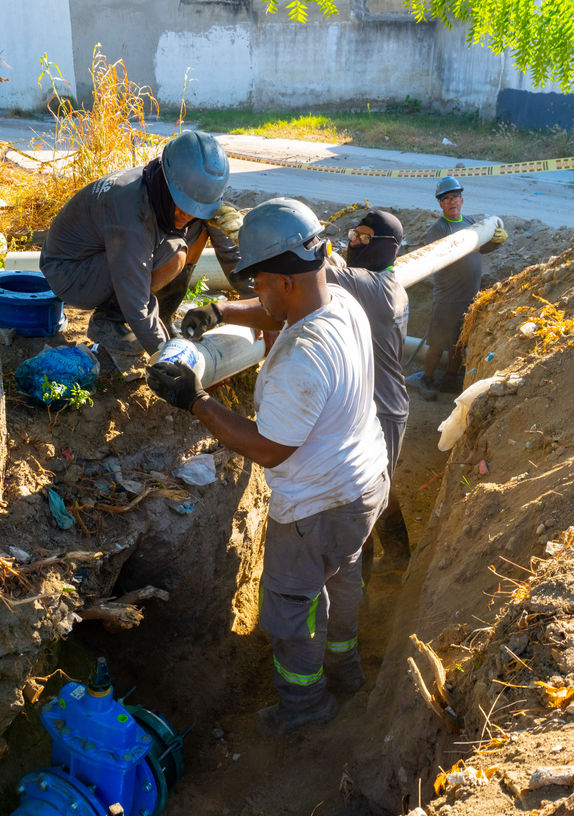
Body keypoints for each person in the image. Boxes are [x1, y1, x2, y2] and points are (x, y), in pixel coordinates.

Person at [151, 198, 388, 734]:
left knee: (291, 605)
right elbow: (275, 310)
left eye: (256, 282)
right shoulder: (338, 301)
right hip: (366, 482)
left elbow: (267, 449)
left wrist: (195, 401)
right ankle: (346, 669)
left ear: (284, 281)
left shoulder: (300, 360)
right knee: (344, 577)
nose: (252, 290)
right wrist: (221, 313)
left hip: (317, 505)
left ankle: (306, 708)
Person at [41, 130, 237, 356]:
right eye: (183, 204)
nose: (187, 214)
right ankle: (109, 319)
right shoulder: (131, 212)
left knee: (201, 229)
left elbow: (232, 254)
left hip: (107, 255)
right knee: (175, 255)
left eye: (196, 207)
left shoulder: (176, 189)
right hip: (72, 272)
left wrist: (257, 305)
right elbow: (137, 301)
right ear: (169, 180)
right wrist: (166, 355)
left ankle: (163, 316)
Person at [325, 210, 412, 568]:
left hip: (383, 410)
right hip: (380, 404)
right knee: (379, 487)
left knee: (368, 497)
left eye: (363, 238)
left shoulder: (371, 286)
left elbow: (317, 273)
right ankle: (398, 560)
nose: (353, 243)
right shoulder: (388, 283)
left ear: (385, 247)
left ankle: (379, 577)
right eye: (353, 235)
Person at [413, 176, 507, 400]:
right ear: (440, 204)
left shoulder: (471, 222)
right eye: (446, 199)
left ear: (462, 200)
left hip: (469, 297)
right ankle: (427, 378)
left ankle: (450, 378)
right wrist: (465, 248)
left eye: (455, 197)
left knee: (459, 342)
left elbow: (482, 249)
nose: (452, 202)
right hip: (447, 298)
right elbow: (439, 257)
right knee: (437, 343)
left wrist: (496, 241)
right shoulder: (438, 229)